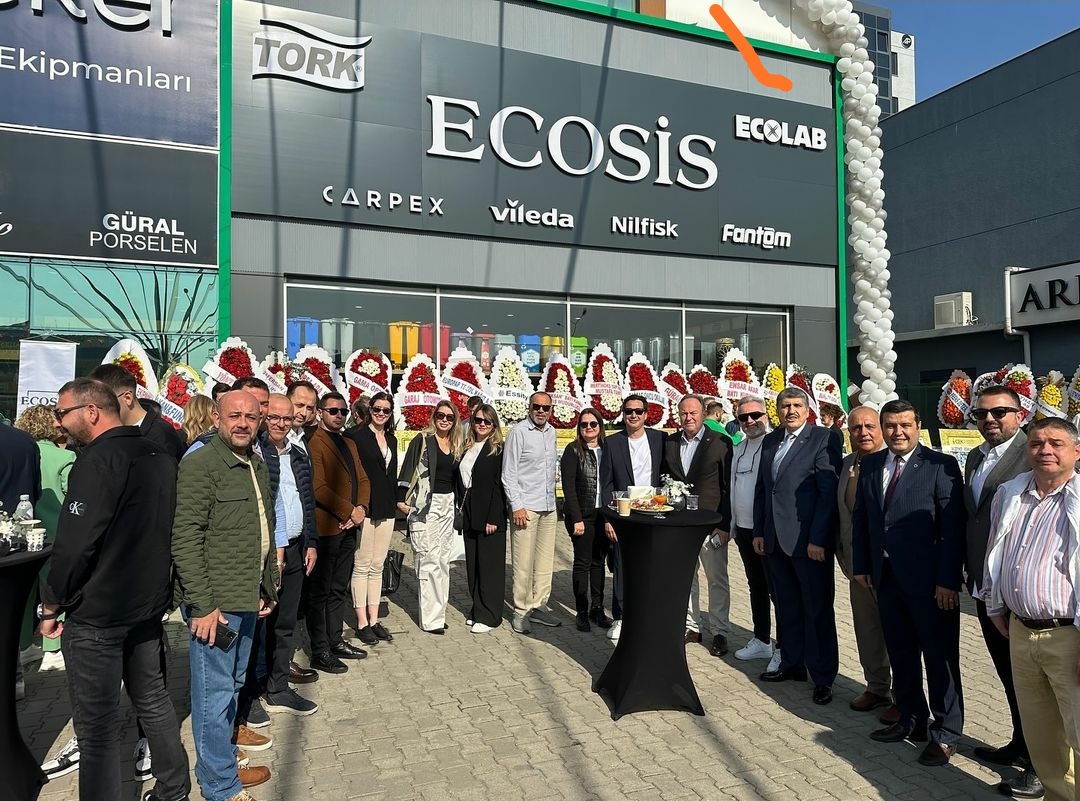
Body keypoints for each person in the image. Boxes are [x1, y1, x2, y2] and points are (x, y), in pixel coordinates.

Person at [42, 378, 189, 801]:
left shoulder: (97, 461)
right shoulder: (159, 455)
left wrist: (51, 604)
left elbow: (75, 545)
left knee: (98, 728)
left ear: (91, 411)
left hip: (99, 613)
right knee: (154, 700)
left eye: (62, 413)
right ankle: (175, 787)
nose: (58, 422)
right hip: (145, 606)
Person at [172, 390, 281, 800]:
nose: (242, 423)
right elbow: (185, 538)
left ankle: (222, 760)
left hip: (246, 595)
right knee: (213, 693)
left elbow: (264, 527)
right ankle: (219, 786)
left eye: (251, 417)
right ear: (216, 418)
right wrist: (202, 605)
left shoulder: (255, 462)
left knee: (233, 684)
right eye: (234, 415)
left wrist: (267, 585)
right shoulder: (201, 464)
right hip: (215, 605)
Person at [852, 399, 965, 767]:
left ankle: (946, 732)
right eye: (891, 425)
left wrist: (948, 581)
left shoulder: (940, 465)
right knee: (901, 653)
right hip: (886, 579)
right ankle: (911, 718)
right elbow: (862, 519)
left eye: (905, 425)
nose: (897, 432)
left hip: (931, 585)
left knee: (939, 658)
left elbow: (952, 529)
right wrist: (862, 565)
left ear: (918, 426)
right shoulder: (871, 464)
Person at [984, 417, 1080, 801]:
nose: (1045, 450)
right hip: (1021, 633)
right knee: (1042, 738)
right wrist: (993, 601)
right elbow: (995, 549)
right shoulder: (1010, 493)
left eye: (1056, 443)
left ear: (1077, 451)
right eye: (1037, 443)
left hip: (1069, 637)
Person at [963, 387, 1039, 795]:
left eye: (999, 412)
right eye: (981, 414)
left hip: (1019, 590)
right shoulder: (976, 457)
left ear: (1020, 414)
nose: (989, 420)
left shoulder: (1033, 453)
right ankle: (1020, 744)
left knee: (1034, 685)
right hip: (984, 587)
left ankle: (1040, 766)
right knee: (1009, 677)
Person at [754, 386, 842, 706]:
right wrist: (760, 531)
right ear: (777, 410)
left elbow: (827, 493)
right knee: (787, 605)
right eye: (784, 406)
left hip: (808, 542)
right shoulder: (771, 440)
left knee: (816, 609)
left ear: (807, 410)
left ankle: (823, 676)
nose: (790, 411)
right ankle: (792, 663)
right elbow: (764, 489)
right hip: (775, 540)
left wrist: (818, 538)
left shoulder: (823, 438)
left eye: (796, 405)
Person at [236, 394, 319, 726]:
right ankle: (249, 693)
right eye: (275, 417)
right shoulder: (256, 453)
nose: (281, 424)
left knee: (285, 625)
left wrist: (311, 542)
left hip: (297, 548)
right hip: (267, 553)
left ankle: (278, 687)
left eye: (287, 418)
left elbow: (306, 501)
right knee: (257, 626)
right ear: (264, 417)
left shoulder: (297, 453)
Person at [835, 406, 896, 720]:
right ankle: (876, 686)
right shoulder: (847, 464)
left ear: (881, 428)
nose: (863, 433)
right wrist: (842, 553)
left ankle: (904, 696)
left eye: (870, 426)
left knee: (895, 632)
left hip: (887, 566)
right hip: (856, 566)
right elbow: (842, 514)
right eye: (856, 427)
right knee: (867, 628)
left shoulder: (892, 463)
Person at [306, 392, 371, 671]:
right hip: (328, 528)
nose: (339, 416)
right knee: (320, 591)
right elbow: (318, 487)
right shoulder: (314, 442)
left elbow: (363, 479)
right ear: (320, 412)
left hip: (349, 526)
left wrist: (361, 509)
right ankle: (319, 649)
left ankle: (335, 639)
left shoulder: (348, 442)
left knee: (338, 588)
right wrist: (348, 511)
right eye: (333, 411)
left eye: (343, 411)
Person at [665, 394, 733, 657]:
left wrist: (724, 524)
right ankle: (692, 627)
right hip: (681, 525)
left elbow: (728, 487)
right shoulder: (671, 442)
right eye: (683, 413)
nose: (688, 418)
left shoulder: (720, 442)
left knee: (717, 580)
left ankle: (720, 631)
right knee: (686, 578)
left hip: (711, 525)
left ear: (704, 414)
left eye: (693, 413)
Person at [14, 406, 74, 673]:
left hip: (24, 533)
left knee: (25, 592)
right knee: (55, 588)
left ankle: (24, 645)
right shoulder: (64, 456)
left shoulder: (19, 453)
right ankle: (53, 648)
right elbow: (73, 495)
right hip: (56, 534)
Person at [599, 394, 664, 642]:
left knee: (652, 565)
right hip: (624, 515)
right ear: (623, 414)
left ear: (646, 414)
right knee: (622, 566)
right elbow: (606, 483)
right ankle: (621, 617)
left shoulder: (659, 439)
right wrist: (608, 519)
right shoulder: (612, 443)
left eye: (638, 411)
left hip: (653, 513)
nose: (633, 415)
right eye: (629, 411)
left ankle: (649, 615)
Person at [399, 400, 461, 634]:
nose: (444, 420)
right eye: (440, 415)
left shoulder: (455, 443)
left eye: (449, 417)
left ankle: (438, 614)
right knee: (428, 559)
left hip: (447, 504)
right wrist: (401, 500)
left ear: (455, 421)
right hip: (426, 505)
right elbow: (408, 468)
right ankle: (430, 619)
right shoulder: (423, 440)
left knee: (443, 561)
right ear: (434, 417)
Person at [502, 391, 559, 634]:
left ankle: (538, 606)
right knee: (523, 563)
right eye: (537, 406)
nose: (541, 411)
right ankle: (521, 610)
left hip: (548, 506)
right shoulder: (518, 432)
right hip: (526, 508)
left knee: (544, 563)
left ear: (551, 410)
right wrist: (516, 505)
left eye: (546, 407)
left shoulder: (552, 432)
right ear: (529, 407)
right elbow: (508, 473)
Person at [344, 391, 398, 645]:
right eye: (377, 409)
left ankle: (374, 620)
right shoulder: (354, 436)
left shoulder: (392, 439)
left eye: (386, 410)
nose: (381, 414)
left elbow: (391, 474)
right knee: (362, 563)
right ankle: (361, 622)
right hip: (364, 506)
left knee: (378, 565)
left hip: (386, 507)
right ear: (370, 410)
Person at [728, 396, 777, 665]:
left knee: (776, 590)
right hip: (744, 530)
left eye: (755, 415)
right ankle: (761, 639)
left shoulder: (775, 445)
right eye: (743, 417)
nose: (750, 421)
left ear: (765, 415)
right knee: (755, 585)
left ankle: (784, 647)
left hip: (767, 531)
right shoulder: (739, 448)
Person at [454, 402, 508, 634]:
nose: (482, 424)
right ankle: (478, 609)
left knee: (490, 568)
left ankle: (491, 615)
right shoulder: (466, 447)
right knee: (474, 566)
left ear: (494, 425)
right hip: (470, 514)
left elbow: (500, 486)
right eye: (478, 420)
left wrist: (494, 517)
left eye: (487, 421)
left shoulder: (498, 450)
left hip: (490, 517)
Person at [561, 408, 612, 632]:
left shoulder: (608, 449)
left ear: (600, 426)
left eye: (593, 424)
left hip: (604, 514)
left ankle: (597, 608)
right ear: (579, 428)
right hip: (582, 515)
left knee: (598, 562)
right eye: (584, 424)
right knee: (582, 562)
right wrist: (576, 518)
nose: (589, 428)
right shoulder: (573, 450)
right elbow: (568, 487)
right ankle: (581, 610)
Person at [89, 363, 186, 460]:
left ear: (127, 398)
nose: (96, 413)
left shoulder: (160, 435)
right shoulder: (110, 433)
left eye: (103, 404)